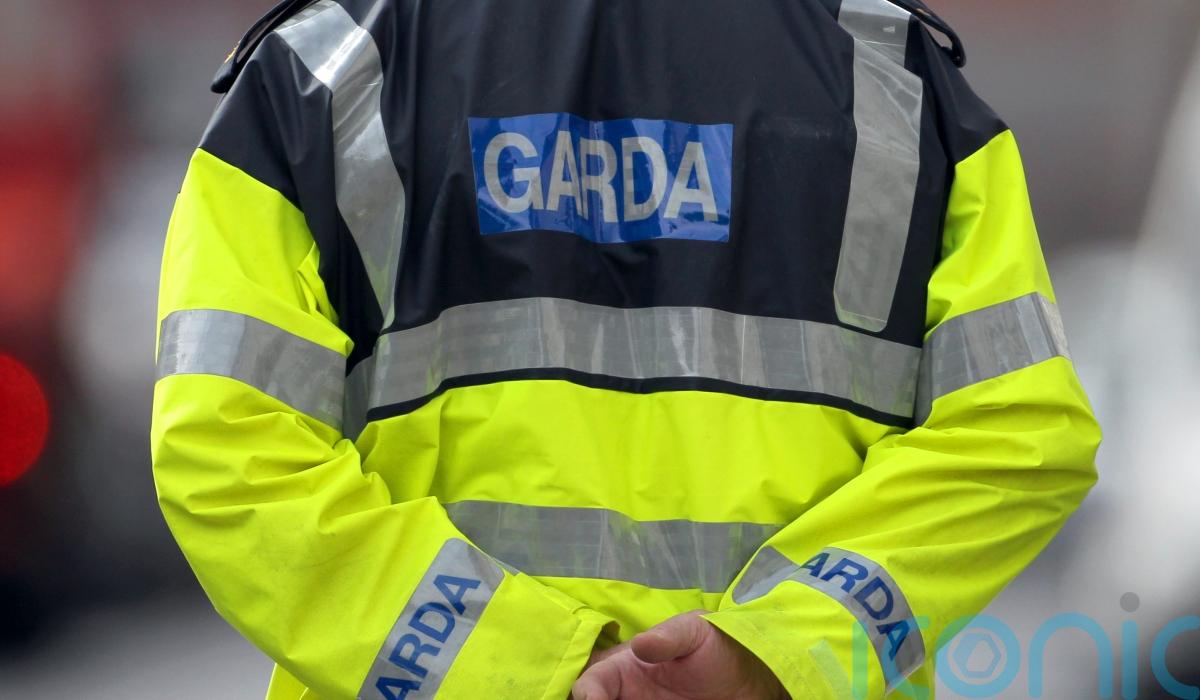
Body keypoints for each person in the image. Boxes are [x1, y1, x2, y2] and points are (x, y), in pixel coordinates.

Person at [150, 0, 1101, 697]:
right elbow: (1020, 432)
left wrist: (524, 665)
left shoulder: (322, 72)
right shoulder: (890, 72)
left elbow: (227, 451)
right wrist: (778, 654)